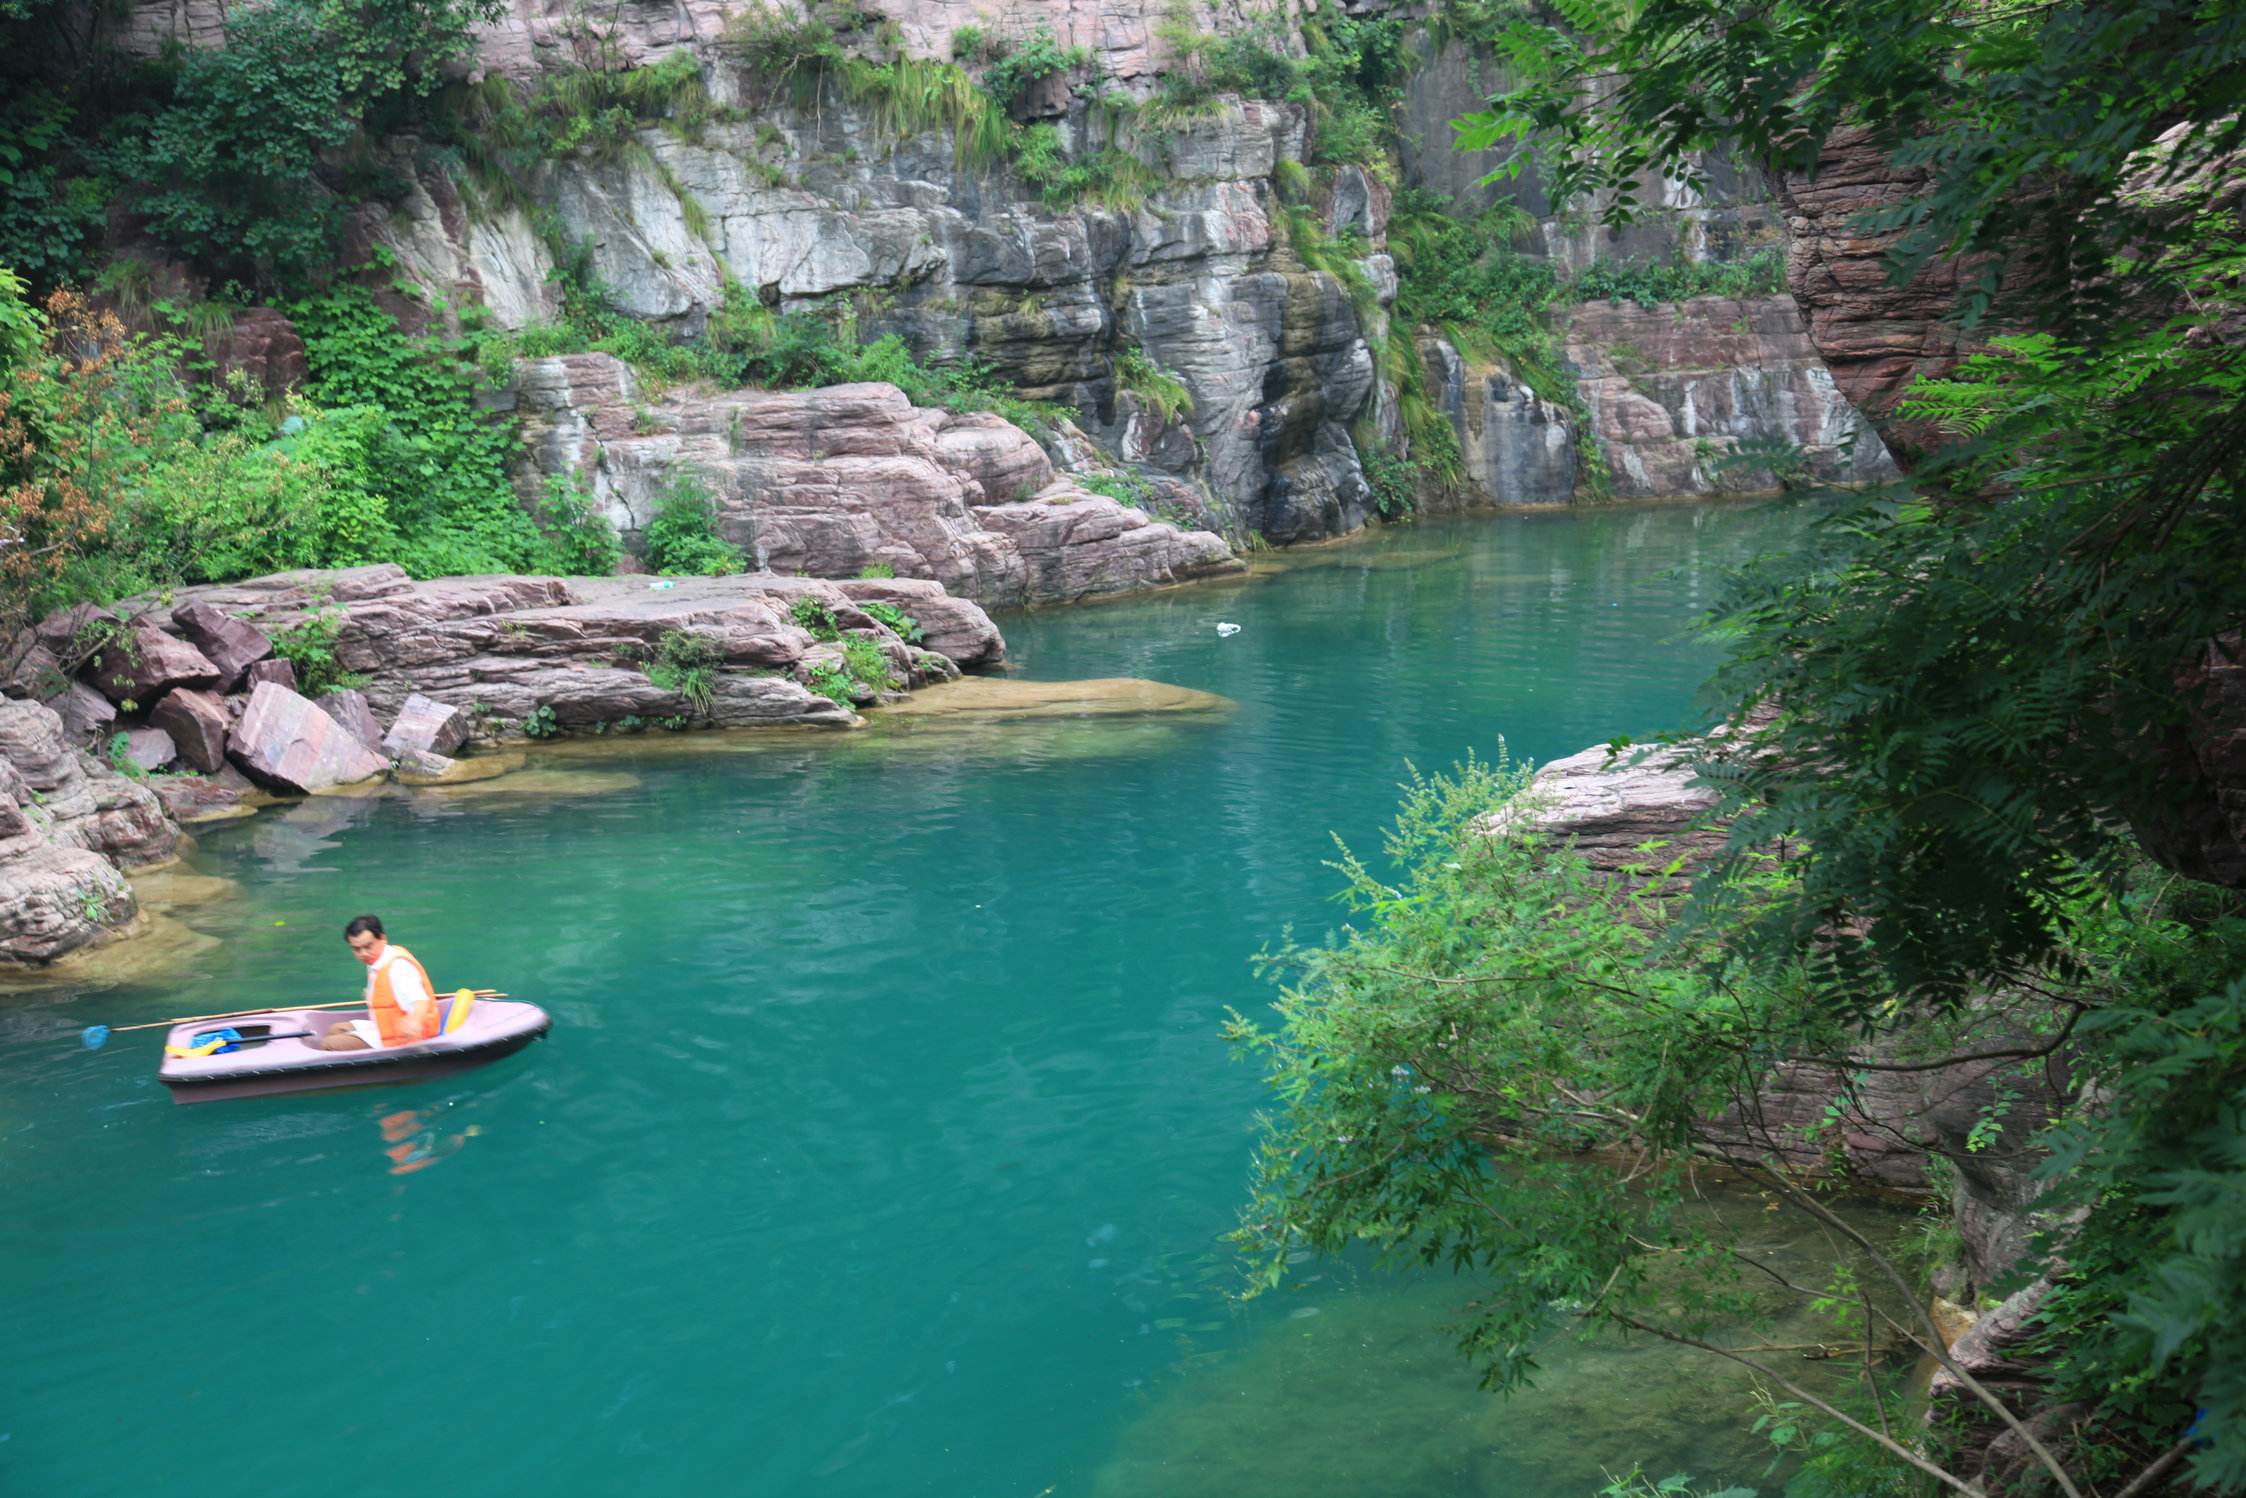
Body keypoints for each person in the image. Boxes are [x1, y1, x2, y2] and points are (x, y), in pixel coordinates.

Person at [316, 915, 441, 1051]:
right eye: (356, 949)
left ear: (382, 938)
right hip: (385, 1025)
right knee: (335, 1029)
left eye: (368, 946)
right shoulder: (377, 959)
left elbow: (421, 1001)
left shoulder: (399, 967)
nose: (363, 953)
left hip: (405, 1036)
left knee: (328, 1044)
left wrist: (414, 1022)